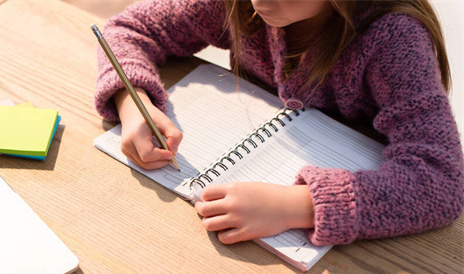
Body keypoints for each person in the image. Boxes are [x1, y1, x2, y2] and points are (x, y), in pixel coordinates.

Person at [94, 0, 464, 246]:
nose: (258, 1)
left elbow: (442, 181)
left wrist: (298, 206)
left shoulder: (395, 39)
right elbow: (127, 30)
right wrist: (133, 101)